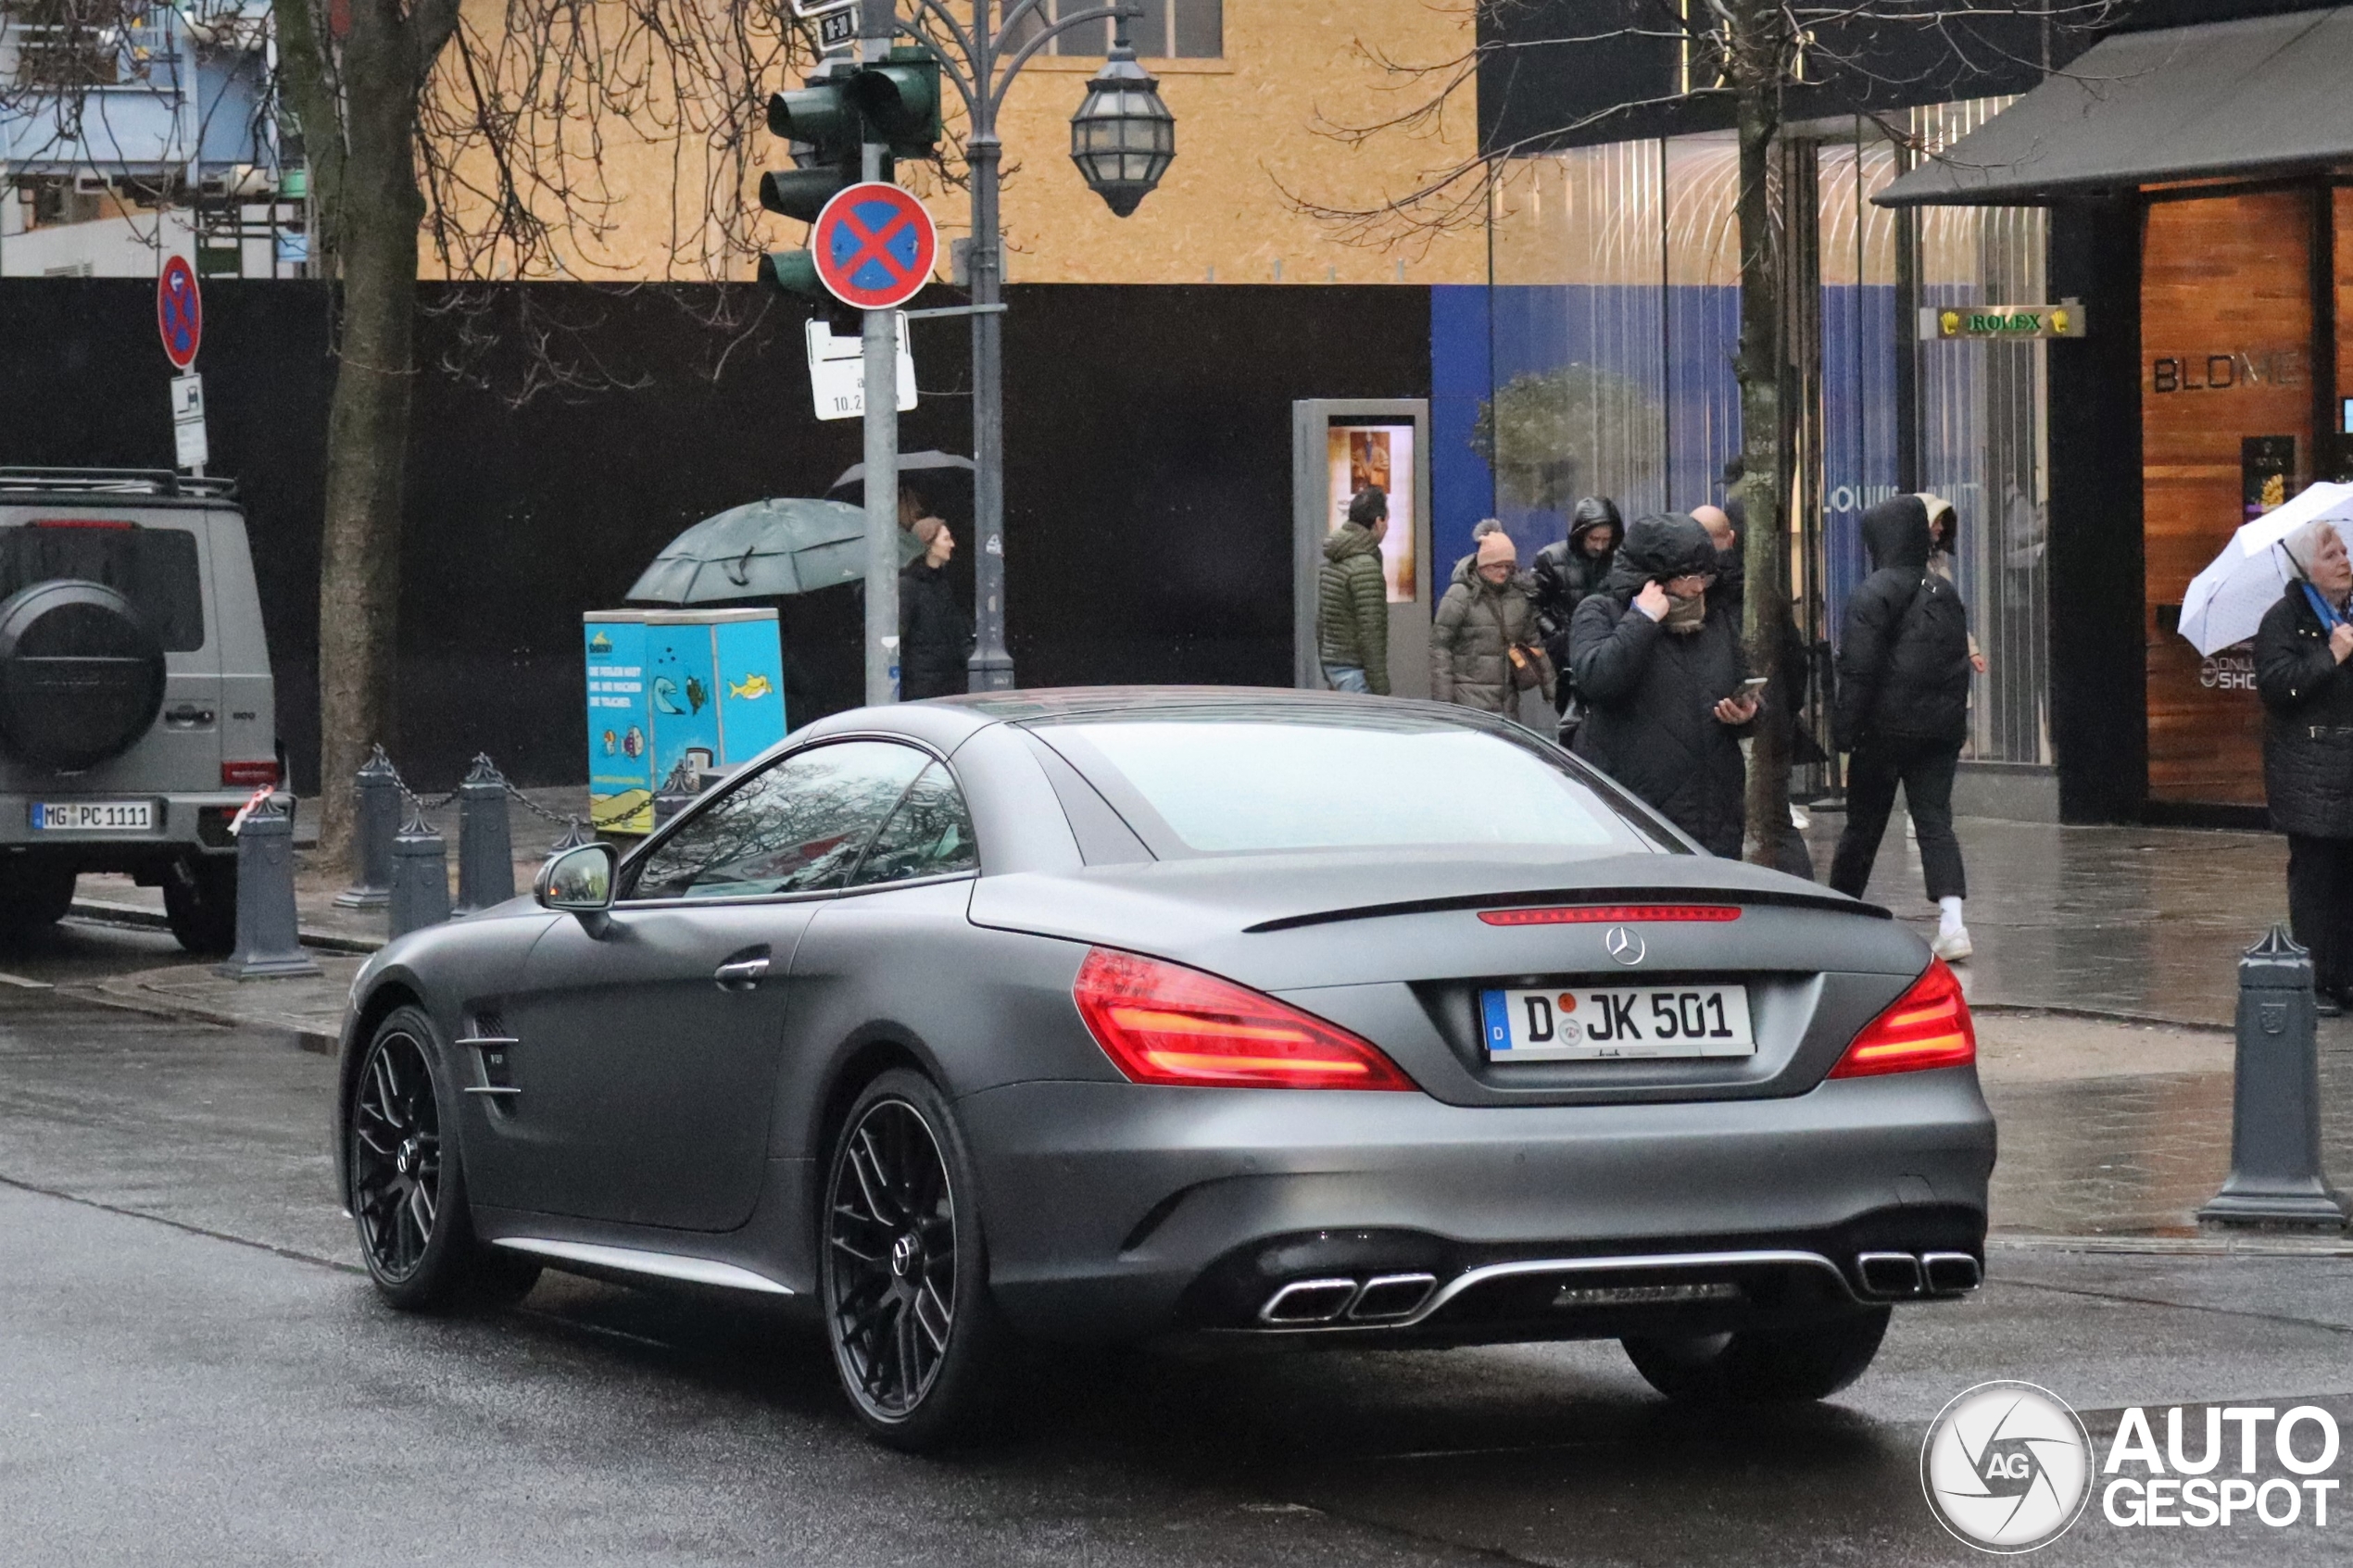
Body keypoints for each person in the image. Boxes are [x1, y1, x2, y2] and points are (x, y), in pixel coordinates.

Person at [1829, 495, 1976, 960]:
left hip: (1884, 729)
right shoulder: (1945, 591)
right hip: (1939, 731)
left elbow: (1858, 669)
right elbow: (1957, 664)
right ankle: (1952, 921)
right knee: (1935, 821)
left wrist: (1844, 733)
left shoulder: (1873, 593)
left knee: (1863, 826)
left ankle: (1837, 913)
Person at [1568, 513, 1757, 856]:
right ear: (1653, 578)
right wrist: (1641, 621)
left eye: (1705, 575)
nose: (1699, 587)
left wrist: (1748, 713)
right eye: (1689, 576)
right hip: (1640, 814)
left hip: (1715, 815)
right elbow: (1597, 679)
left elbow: (1742, 683)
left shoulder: (1715, 620)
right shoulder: (1600, 612)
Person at [2255, 519, 2353, 1015]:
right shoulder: (2283, 620)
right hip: (2309, 773)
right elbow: (2277, 686)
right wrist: (2330, 655)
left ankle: (2347, 977)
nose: (2343, 560)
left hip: (2349, 768)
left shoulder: (2351, 614)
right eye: (2330, 553)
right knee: (2317, 880)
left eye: (2344, 550)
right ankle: (2316, 981)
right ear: (2305, 567)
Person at [1692, 501, 1817, 880]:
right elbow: (1796, 661)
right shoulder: (1764, 592)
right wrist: (1782, 710)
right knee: (1775, 820)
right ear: (1731, 538)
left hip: (1714, 727)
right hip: (1769, 717)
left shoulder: (1692, 592)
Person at [1530, 496, 1622, 741]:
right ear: (1581, 534)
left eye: (1606, 540)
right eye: (1594, 539)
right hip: (1565, 658)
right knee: (1570, 723)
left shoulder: (1617, 562)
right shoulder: (1550, 559)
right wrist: (1557, 635)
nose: (1600, 546)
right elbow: (1531, 605)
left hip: (1605, 651)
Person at [1431, 531, 1550, 714]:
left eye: (1508, 566)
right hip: (1467, 700)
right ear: (1483, 565)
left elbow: (1533, 642)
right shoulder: (1460, 595)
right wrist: (1444, 701)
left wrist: (1550, 688)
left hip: (1507, 701)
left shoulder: (1518, 597)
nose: (1503, 571)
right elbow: (1440, 647)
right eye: (1497, 566)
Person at [1319, 485, 1390, 695]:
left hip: (1334, 667)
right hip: (1356, 672)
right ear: (1378, 521)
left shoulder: (1332, 559)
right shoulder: (1366, 567)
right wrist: (1381, 689)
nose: (1387, 528)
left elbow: (1321, 620)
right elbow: (1371, 632)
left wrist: (1328, 670)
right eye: (1387, 520)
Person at [898, 516, 972, 700]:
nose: (952, 544)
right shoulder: (908, 585)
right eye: (946, 539)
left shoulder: (944, 583)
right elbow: (900, 634)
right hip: (923, 686)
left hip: (949, 681)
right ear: (928, 544)